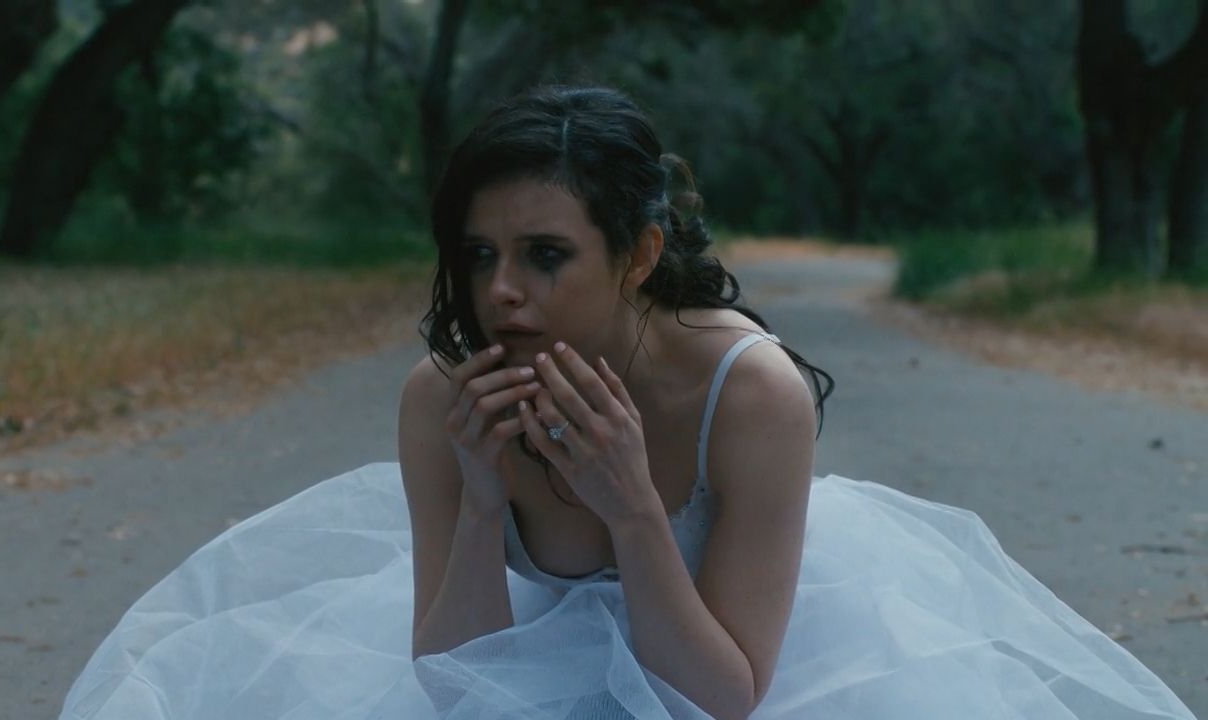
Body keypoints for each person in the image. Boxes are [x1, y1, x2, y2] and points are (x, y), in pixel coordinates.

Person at [58, 86, 1196, 720]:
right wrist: (479, 500)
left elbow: (725, 697)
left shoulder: (747, 395)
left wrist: (633, 509)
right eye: (479, 255)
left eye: (545, 255)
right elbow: (449, 682)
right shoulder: (441, 398)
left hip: (733, 678)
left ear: (640, 253)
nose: (501, 293)